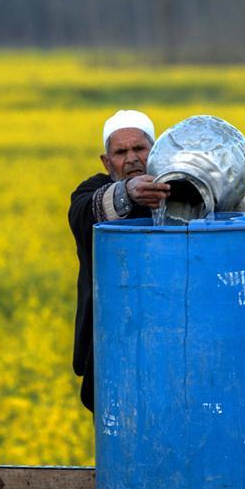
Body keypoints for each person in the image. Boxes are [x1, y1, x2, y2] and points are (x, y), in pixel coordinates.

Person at [68, 110, 170, 412]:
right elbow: (86, 212)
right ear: (106, 161)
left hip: (172, 339)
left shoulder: (178, 186)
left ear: (157, 150)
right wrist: (128, 193)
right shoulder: (90, 192)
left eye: (140, 148)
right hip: (109, 345)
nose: (132, 159)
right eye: (121, 152)